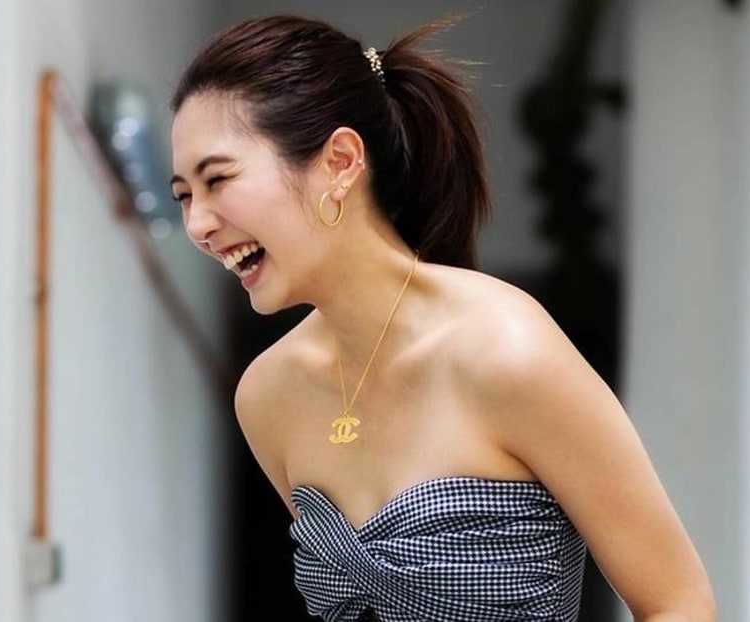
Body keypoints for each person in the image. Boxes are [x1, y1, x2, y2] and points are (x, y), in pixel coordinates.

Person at [168, 13, 716, 622]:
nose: (199, 225)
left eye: (218, 179)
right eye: (184, 196)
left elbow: (679, 603)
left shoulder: (506, 350)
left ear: (341, 162)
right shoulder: (269, 395)